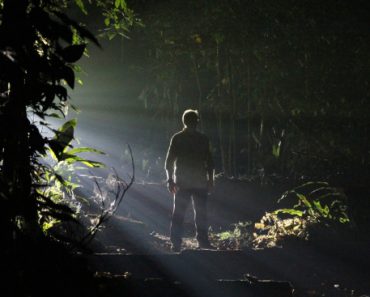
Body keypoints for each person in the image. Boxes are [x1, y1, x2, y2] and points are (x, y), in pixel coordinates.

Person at [165, 109, 215, 252]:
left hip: (184, 181)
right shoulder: (202, 139)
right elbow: (210, 162)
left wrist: (170, 180)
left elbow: (169, 162)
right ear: (196, 121)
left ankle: (177, 243)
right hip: (196, 182)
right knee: (199, 213)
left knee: (181, 213)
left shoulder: (178, 138)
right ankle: (202, 242)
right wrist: (210, 180)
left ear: (184, 122)